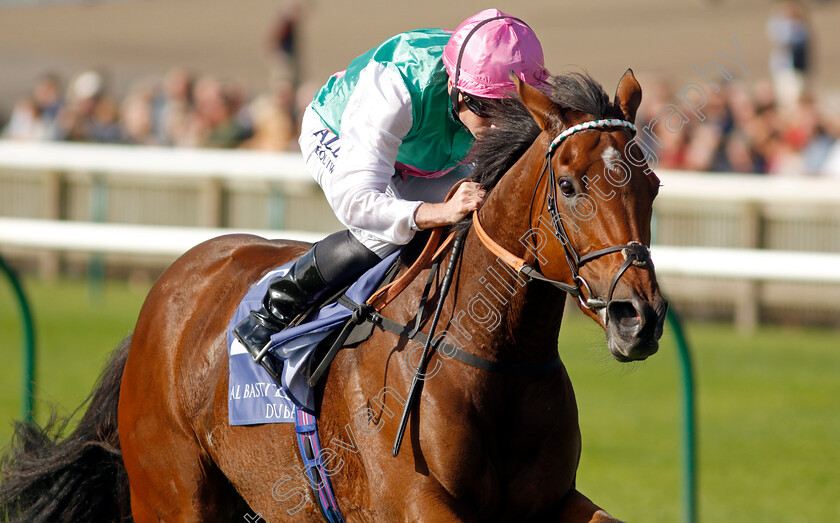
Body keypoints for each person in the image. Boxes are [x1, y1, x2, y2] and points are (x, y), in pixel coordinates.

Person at [234, 9, 549, 359]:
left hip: (423, 159)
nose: (497, 128)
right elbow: (356, 201)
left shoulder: (498, 86)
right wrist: (438, 211)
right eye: (485, 109)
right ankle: (274, 311)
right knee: (382, 230)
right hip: (339, 131)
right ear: (454, 87)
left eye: (512, 112)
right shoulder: (394, 88)